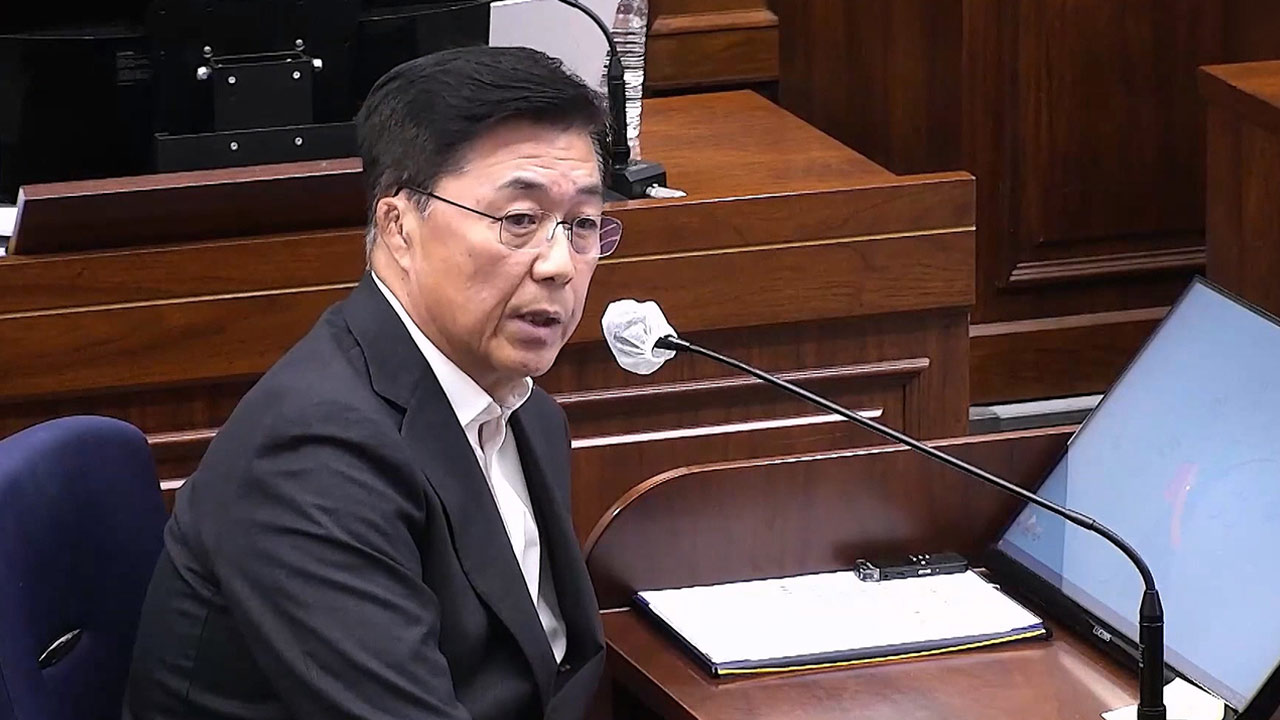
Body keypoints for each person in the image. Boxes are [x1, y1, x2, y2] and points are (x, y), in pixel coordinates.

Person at [124, 45, 622, 720]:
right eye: (520, 221)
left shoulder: (525, 413)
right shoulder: (313, 457)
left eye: (583, 225)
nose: (560, 264)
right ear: (399, 228)